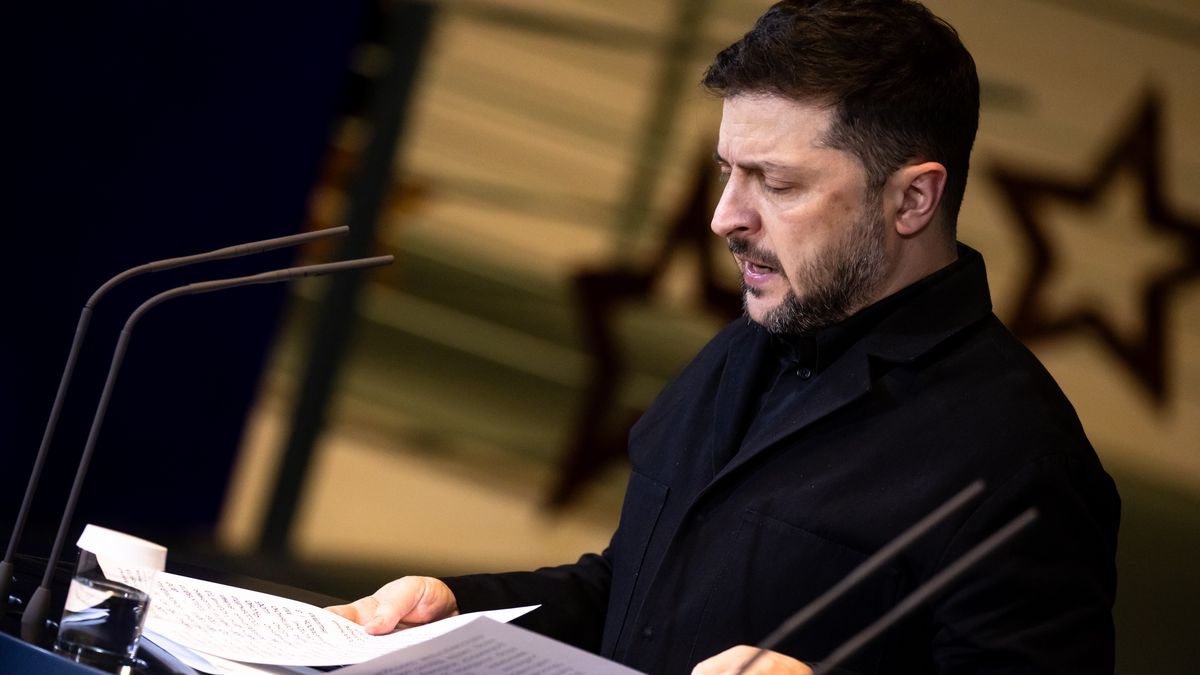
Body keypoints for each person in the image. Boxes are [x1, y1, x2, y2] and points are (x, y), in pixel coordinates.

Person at [328, 1, 1120, 673]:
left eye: (775, 183)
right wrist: (455, 610)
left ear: (913, 198)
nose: (725, 218)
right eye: (726, 171)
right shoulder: (756, 338)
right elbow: (630, 594)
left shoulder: (1019, 454)